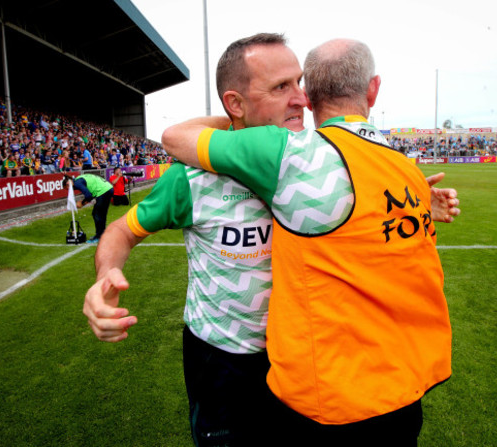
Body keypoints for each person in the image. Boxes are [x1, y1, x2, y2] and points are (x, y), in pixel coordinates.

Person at [84, 34, 458, 447]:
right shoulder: (191, 178)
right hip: (227, 363)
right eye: (282, 87)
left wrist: (414, 199)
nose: (303, 99)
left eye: (300, 82)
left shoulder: (315, 163)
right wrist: (107, 273)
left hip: (303, 366)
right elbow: (122, 230)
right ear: (235, 103)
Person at [64, 173, 113, 243]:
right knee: (101, 214)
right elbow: (90, 194)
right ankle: (102, 234)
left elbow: (88, 196)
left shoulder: (77, 183)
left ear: (68, 184)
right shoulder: (78, 179)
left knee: (97, 214)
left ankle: (99, 236)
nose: (69, 190)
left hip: (103, 191)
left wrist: (82, 203)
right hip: (108, 188)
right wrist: (84, 202)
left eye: (67, 188)